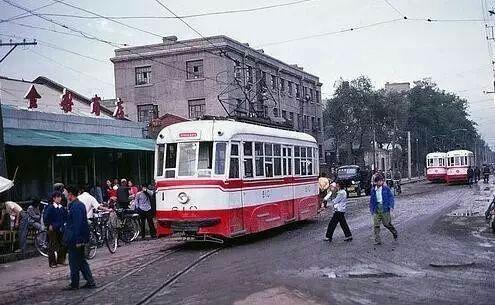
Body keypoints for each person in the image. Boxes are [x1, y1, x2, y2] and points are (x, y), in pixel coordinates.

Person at [63, 186, 96, 290]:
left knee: (74, 261)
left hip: (75, 238)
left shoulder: (76, 206)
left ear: (70, 194)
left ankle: (75, 283)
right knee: (81, 261)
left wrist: (78, 239)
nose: (64, 194)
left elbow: (78, 224)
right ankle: (90, 281)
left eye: (65, 192)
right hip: (78, 238)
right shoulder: (77, 205)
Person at [369, 175, 398, 245]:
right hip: (377, 208)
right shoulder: (373, 190)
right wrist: (371, 209)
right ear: (376, 182)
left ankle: (394, 231)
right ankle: (377, 240)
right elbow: (371, 200)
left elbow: (391, 197)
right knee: (376, 225)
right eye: (379, 181)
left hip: (384, 208)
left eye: (382, 181)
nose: (381, 182)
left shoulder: (386, 189)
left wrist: (391, 206)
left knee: (386, 224)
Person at [43, 191, 67, 268]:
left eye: (60, 197)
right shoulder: (50, 207)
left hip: (61, 228)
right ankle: (52, 262)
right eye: (57, 197)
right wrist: (49, 225)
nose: (59, 199)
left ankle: (61, 260)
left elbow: (65, 217)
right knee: (52, 245)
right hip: (53, 228)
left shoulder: (61, 207)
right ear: (54, 198)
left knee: (63, 244)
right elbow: (46, 217)